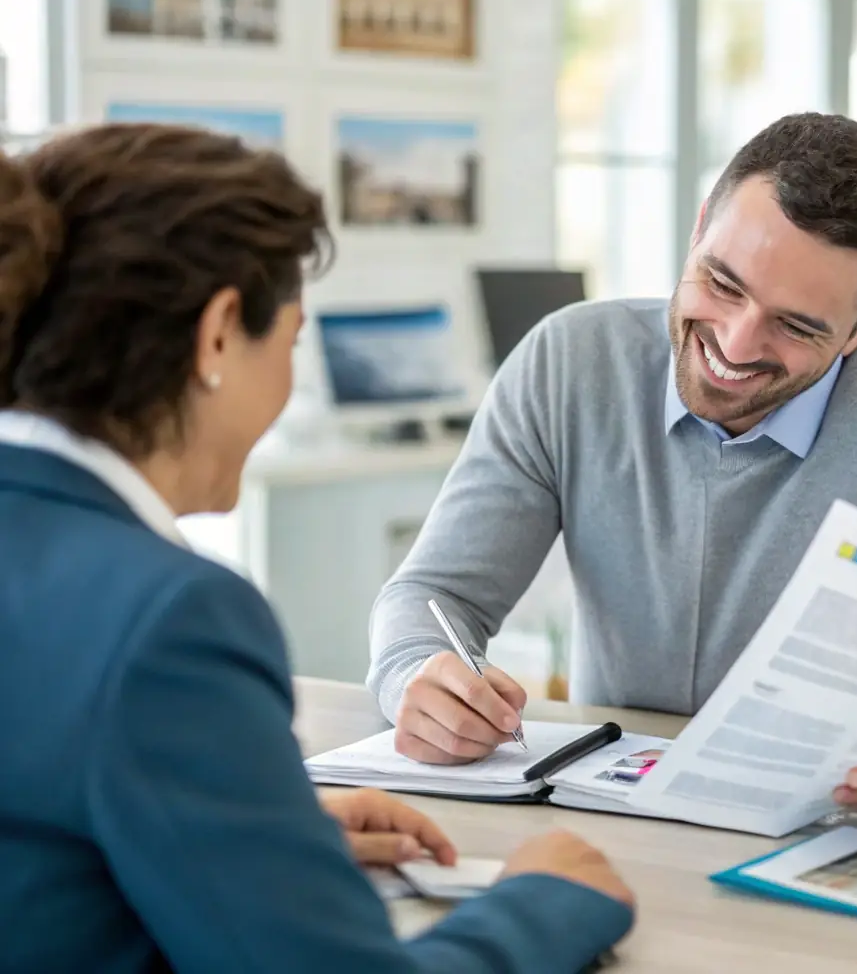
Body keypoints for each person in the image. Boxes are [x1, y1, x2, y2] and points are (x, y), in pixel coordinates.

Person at [0, 123, 634, 973]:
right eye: (292, 340)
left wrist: (249, 834)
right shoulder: (169, 620)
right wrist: (550, 903)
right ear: (221, 332)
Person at [369, 112, 857, 824]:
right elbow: (434, 593)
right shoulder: (568, 361)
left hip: (824, 826)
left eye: (797, 326)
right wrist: (415, 678)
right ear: (701, 224)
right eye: (722, 283)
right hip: (612, 814)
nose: (736, 345)